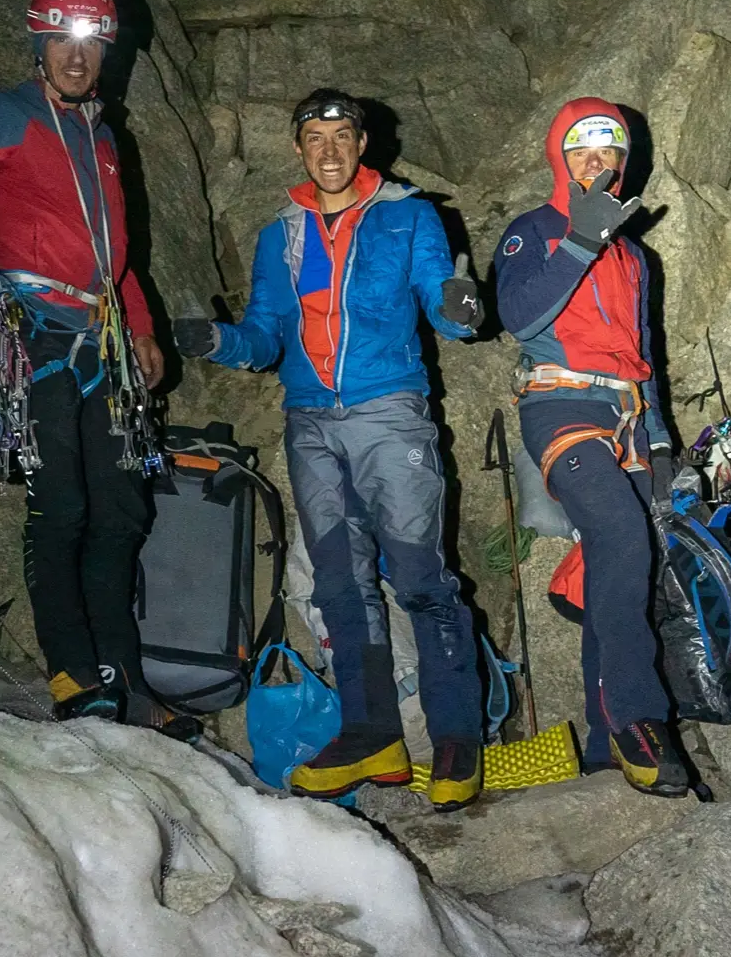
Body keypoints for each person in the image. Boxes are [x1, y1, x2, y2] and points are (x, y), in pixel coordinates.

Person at [172, 89, 488, 810]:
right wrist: (220, 341)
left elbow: (444, 299)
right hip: (310, 421)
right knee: (341, 584)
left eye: (343, 135)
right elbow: (265, 334)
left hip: (389, 414)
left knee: (419, 578)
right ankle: (372, 732)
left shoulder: (409, 215)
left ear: (364, 142)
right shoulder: (279, 233)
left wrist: (462, 308)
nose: (330, 150)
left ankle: (456, 736)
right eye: (316, 137)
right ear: (298, 149)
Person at [0, 0, 173, 729]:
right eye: (60, 41)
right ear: (38, 44)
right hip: (32, 330)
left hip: (106, 334)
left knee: (119, 510)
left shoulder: (105, 137)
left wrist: (143, 325)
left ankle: (127, 677)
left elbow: (116, 254)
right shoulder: (5, 113)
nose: (76, 57)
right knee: (61, 508)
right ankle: (69, 673)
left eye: (89, 43)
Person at [493, 96, 690, 795]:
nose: (596, 162)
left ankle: (608, 745)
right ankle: (641, 720)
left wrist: (662, 443)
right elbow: (516, 315)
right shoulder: (533, 231)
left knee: (622, 558)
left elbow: (645, 354)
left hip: (630, 416)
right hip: (560, 405)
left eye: (608, 151)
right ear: (559, 157)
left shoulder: (636, 255)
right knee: (618, 532)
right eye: (581, 150)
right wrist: (579, 240)